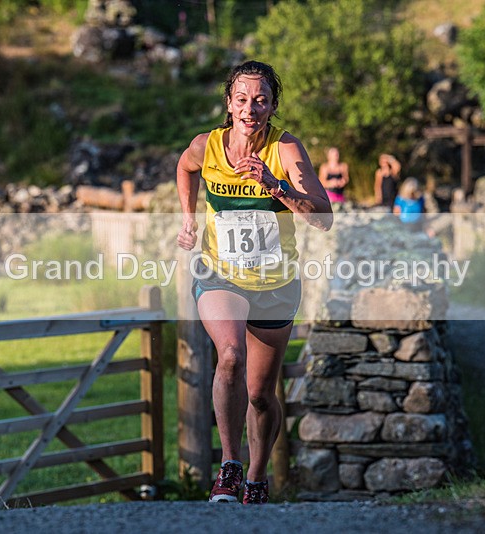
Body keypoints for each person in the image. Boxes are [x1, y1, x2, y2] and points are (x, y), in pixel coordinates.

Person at [176, 60, 333, 504]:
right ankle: (229, 465)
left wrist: (276, 186)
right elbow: (184, 168)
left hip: (274, 283)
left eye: (261, 100)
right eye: (242, 99)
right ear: (229, 104)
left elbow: (324, 218)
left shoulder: (285, 151)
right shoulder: (206, 146)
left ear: (272, 106)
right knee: (229, 357)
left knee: (261, 396)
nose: (251, 109)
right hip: (220, 273)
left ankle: (258, 476)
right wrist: (188, 218)